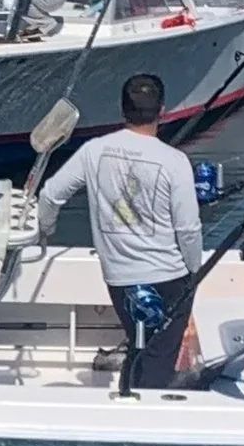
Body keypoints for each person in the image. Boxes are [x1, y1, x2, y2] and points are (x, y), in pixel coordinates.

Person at [36, 72, 202, 387]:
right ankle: (145, 413)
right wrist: (195, 271)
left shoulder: (93, 151)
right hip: (169, 278)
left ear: (121, 111)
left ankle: (132, 389)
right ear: (162, 110)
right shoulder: (175, 161)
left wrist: (46, 229)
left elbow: (50, 195)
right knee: (157, 355)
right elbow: (189, 229)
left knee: (140, 345)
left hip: (119, 279)